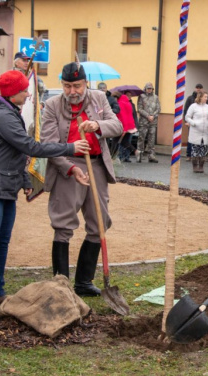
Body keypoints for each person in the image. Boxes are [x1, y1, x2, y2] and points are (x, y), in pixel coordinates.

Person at [0, 70, 90, 317]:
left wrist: (24, 179)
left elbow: (14, 153)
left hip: (4, 186)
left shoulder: (9, 113)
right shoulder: (2, 116)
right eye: (25, 90)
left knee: (1, 242)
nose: (28, 94)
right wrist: (70, 147)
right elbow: (29, 146)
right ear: (14, 93)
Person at [41, 62, 122, 297]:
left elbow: (117, 125)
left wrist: (97, 125)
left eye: (76, 86)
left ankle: (84, 282)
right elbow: (48, 144)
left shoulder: (98, 98)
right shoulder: (52, 105)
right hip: (67, 165)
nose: (72, 91)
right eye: (67, 86)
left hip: (96, 164)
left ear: (85, 84)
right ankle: (61, 284)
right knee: (63, 224)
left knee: (99, 223)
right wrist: (69, 167)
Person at [185, 89, 208, 173]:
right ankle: (195, 166)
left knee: (203, 149)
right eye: (205, 97)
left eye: (207, 97)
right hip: (195, 131)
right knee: (195, 150)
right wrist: (193, 123)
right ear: (200, 97)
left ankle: (201, 166)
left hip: (205, 131)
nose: (207, 98)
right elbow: (187, 117)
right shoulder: (193, 106)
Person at [136, 82, 160, 163]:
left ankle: (151, 155)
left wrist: (153, 116)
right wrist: (147, 116)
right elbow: (139, 108)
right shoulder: (141, 97)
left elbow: (158, 108)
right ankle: (139, 154)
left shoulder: (155, 97)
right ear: (145, 89)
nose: (149, 90)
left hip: (153, 122)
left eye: (151, 88)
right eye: (148, 88)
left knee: (151, 138)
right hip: (144, 122)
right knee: (141, 138)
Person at [113, 90, 139, 162]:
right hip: (130, 126)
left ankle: (113, 157)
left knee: (115, 141)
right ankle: (135, 151)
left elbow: (120, 116)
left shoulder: (119, 103)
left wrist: (123, 128)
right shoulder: (128, 103)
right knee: (125, 142)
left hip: (123, 126)